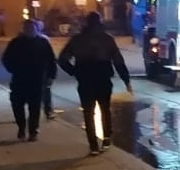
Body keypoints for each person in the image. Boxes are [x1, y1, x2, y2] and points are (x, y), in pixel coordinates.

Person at [57, 12, 133, 155]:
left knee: (88, 112)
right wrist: (126, 80)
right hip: (103, 78)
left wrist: (74, 72)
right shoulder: (107, 39)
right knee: (105, 109)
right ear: (100, 22)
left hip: (85, 79)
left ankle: (93, 145)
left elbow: (62, 59)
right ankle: (106, 138)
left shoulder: (78, 39)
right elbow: (118, 61)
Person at [1, 19, 57, 142]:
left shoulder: (42, 43)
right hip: (19, 79)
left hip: (37, 80)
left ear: (37, 29)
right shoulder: (16, 42)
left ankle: (33, 131)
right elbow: (6, 58)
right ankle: (21, 127)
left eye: (32, 28)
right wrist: (13, 69)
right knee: (17, 105)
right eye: (27, 28)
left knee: (35, 107)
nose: (29, 30)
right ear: (23, 29)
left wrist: (51, 76)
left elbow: (51, 60)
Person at [35, 19, 58, 120]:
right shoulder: (21, 41)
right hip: (33, 71)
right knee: (39, 91)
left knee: (46, 91)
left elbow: (50, 57)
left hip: (43, 70)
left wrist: (52, 73)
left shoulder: (44, 39)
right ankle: (39, 111)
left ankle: (47, 110)